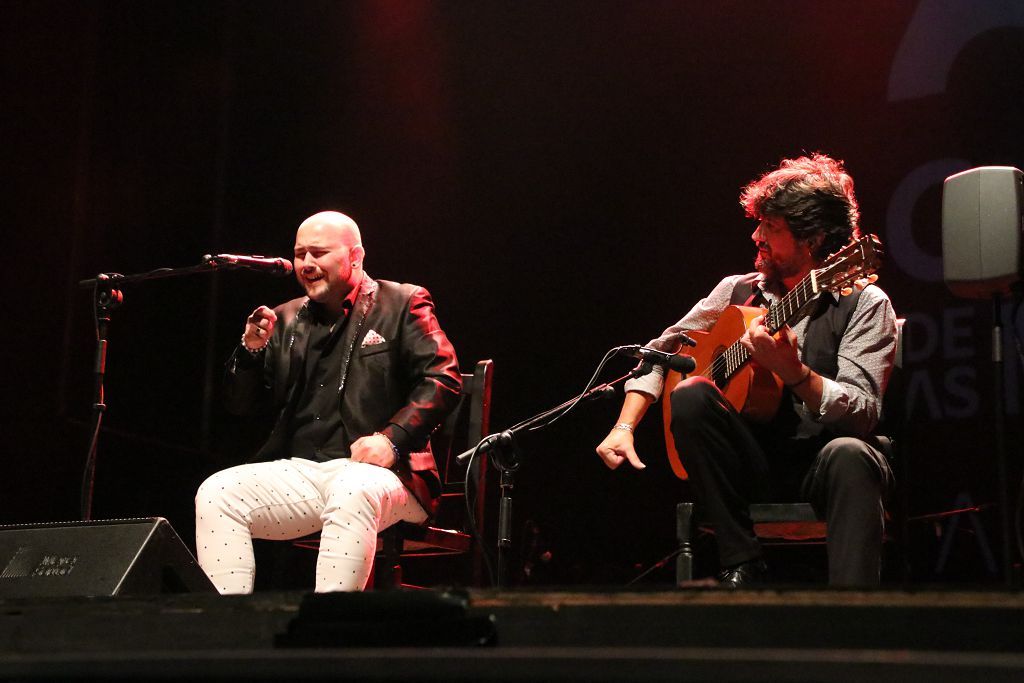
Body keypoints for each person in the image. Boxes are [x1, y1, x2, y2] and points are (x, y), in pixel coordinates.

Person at [596, 154, 897, 587]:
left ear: (811, 239)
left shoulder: (865, 303)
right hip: (751, 464)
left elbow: (863, 411)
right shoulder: (736, 291)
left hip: (821, 463)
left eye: (770, 228)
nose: (756, 236)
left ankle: (853, 616)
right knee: (692, 394)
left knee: (851, 453)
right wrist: (625, 426)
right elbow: (660, 353)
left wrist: (795, 374)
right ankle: (741, 563)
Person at [196, 210, 461, 594]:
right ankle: (230, 634)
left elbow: (443, 378)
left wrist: (391, 439)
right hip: (306, 472)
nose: (306, 264)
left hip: (390, 475)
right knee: (217, 492)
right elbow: (240, 406)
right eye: (300, 254)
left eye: (318, 253)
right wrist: (249, 353)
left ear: (356, 256)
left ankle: (329, 632)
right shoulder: (285, 318)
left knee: (352, 489)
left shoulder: (402, 302)